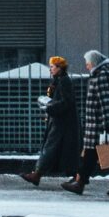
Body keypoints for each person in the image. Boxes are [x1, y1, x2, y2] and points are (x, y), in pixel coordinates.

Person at [61, 49, 109, 198]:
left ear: (94, 63)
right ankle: (82, 183)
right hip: (103, 124)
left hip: (100, 124)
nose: (86, 66)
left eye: (88, 63)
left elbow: (106, 101)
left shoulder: (101, 76)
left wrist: (108, 124)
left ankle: (82, 184)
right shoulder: (108, 74)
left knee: (108, 155)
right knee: (100, 155)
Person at [20, 55, 80, 187]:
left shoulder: (64, 81)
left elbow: (66, 102)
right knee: (63, 151)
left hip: (61, 123)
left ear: (59, 68)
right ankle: (77, 177)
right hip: (60, 122)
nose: (50, 69)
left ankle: (37, 174)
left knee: (50, 148)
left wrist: (50, 107)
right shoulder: (59, 80)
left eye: (52, 67)